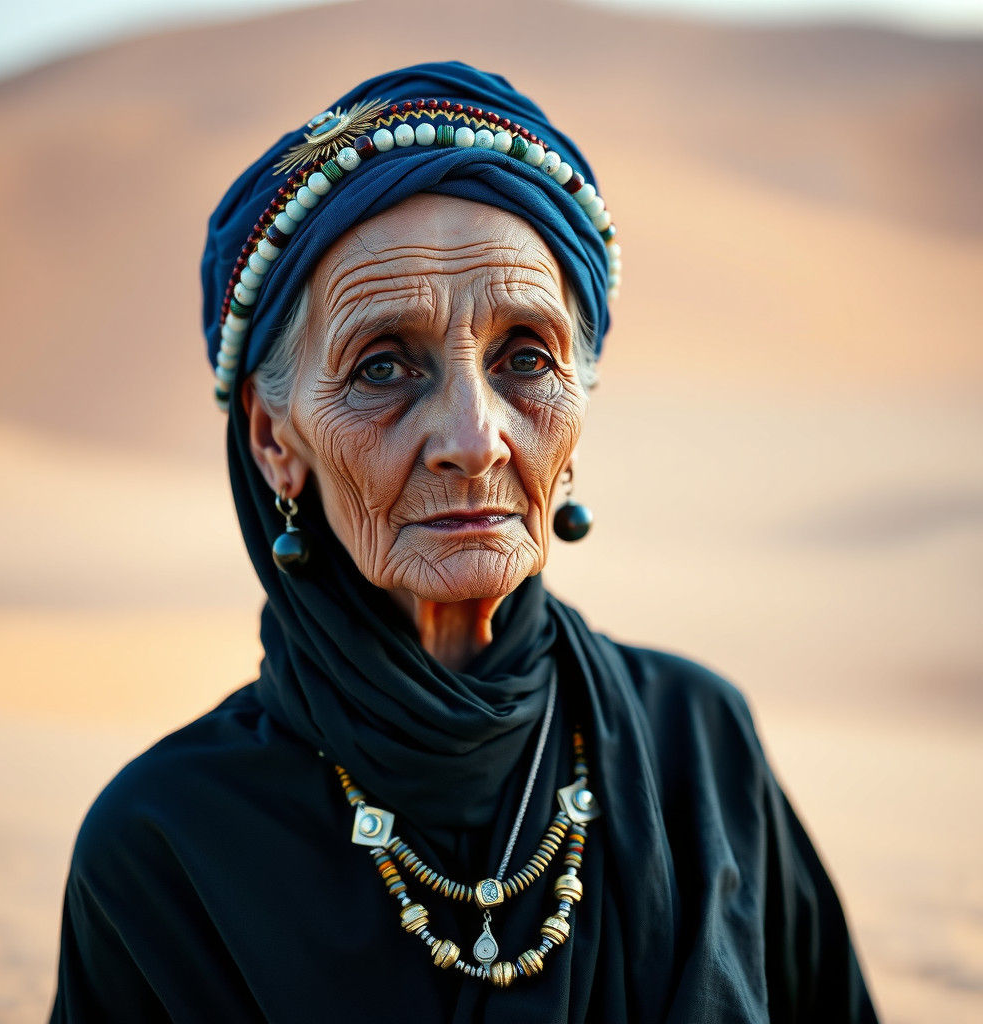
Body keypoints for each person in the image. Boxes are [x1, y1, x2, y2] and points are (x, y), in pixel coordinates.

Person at [50, 62, 878, 1023]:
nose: (474, 437)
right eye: (384, 364)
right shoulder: (164, 850)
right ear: (276, 441)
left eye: (527, 358)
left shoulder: (699, 747)